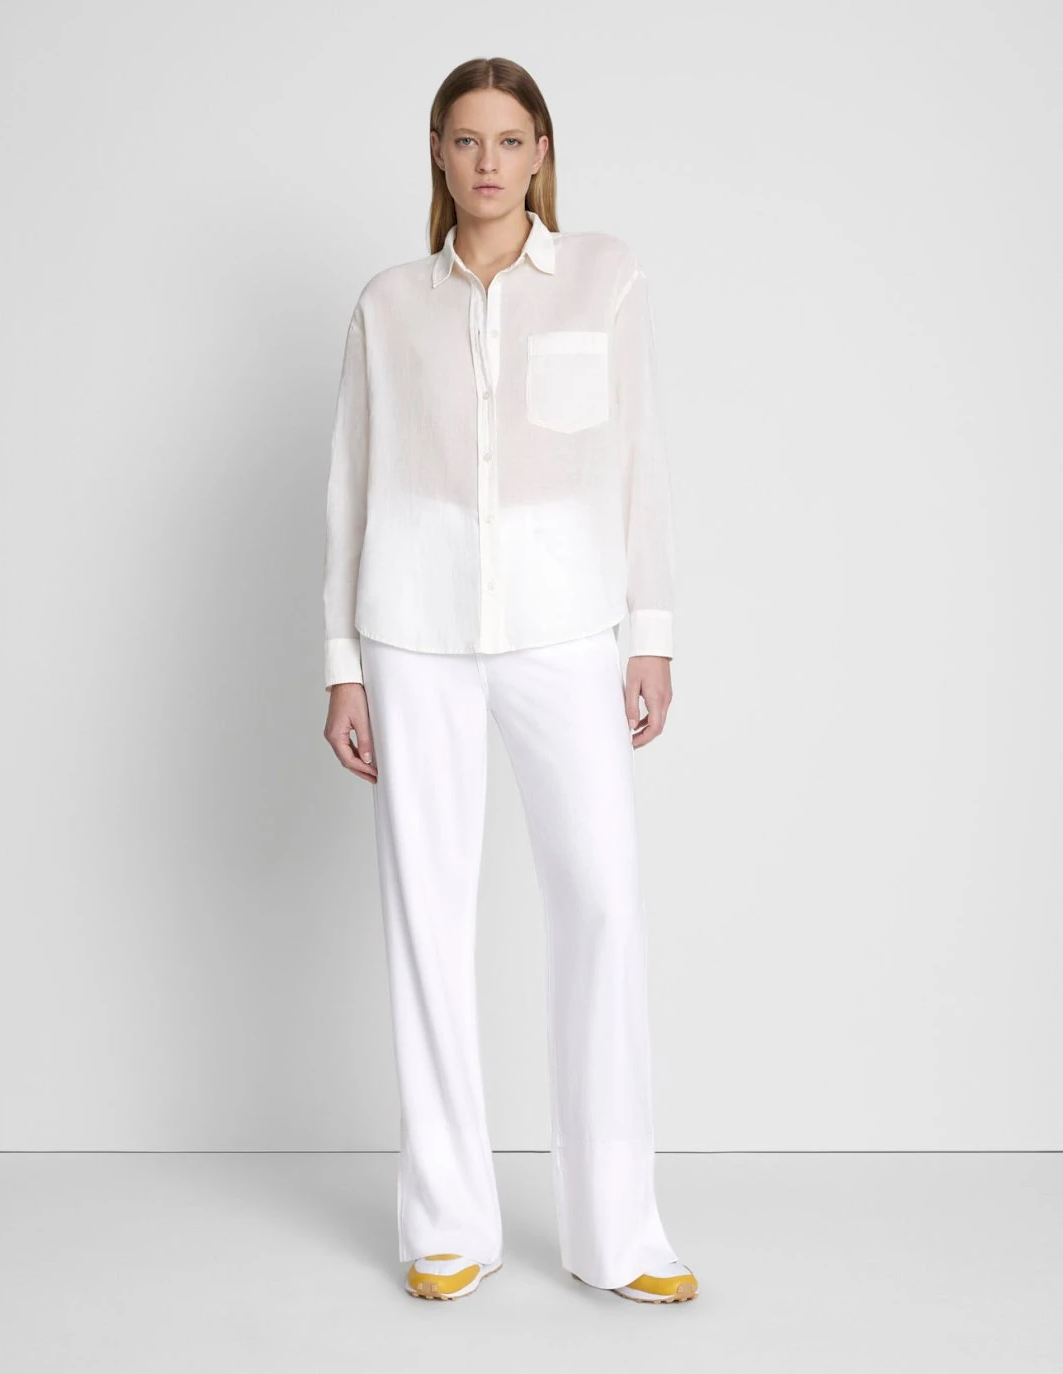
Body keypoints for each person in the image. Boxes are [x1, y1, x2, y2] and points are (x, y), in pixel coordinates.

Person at [321, 55, 697, 1306]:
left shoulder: (604, 275)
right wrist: (341, 666)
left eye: (510, 138)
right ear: (437, 152)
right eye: (465, 139)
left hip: (563, 629)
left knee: (599, 904)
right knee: (426, 921)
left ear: (541, 153)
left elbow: (637, 461)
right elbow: (350, 488)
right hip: (412, 632)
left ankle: (618, 1234)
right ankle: (447, 1224)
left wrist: (649, 634)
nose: (487, 161)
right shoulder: (387, 304)